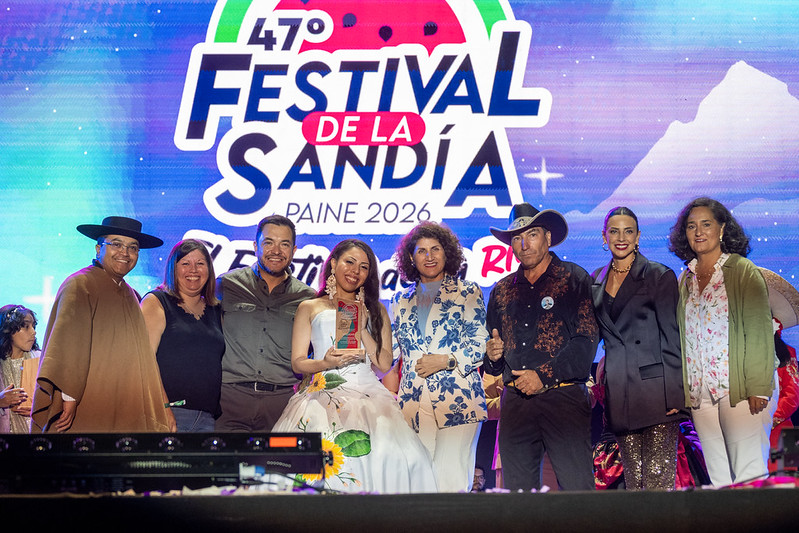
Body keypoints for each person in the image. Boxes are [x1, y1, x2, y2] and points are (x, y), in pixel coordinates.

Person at [271, 239, 437, 493]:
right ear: (333, 264)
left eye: (364, 267)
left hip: (369, 394)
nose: (355, 271)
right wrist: (324, 363)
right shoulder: (310, 306)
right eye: (349, 262)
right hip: (322, 394)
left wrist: (362, 330)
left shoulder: (377, 309)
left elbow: (384, 364)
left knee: (394, 457)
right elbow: (298, 362)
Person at [484, 202, 599, 491]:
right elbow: (493, 357)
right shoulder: (501, 290)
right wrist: (493, 357)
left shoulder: (574, 279)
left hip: (564, 397)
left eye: (532, 235)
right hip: (516, 402)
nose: (524, 245)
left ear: (547, 237)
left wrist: (542, 376)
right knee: (518, 495)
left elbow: (586, 341)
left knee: (577, 489)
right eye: (517, 238)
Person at [668, 197, 776, 486]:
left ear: (722, 229)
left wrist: (758, 387)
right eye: (691, 226)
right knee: (719, 479)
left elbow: (758, 331)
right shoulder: (686, 278)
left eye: (706, 224)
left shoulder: (742, 270)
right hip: (701, 392)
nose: (698, 232)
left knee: (749, 473)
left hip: (739, 389)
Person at [31, 216, 172, 433]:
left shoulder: (131, 294)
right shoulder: (81, 284)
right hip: (86, 400)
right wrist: (69, 396)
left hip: (124, 403)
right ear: (99, 249)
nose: (125, 253)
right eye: (116, 244)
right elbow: (68, 341)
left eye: (133, 248)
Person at [590, 206, 687, 490]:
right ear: (604, 237)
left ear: (638, 236)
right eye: (614, 231)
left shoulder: (658, 275)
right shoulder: (595, 279)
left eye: (628, 231)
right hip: (619, 392)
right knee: (634, 483)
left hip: (656, 393)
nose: (621, 238)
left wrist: (676, 395)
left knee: (657, 483)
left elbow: (672, 337)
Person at [390, 221, 488, 492]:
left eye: (435, 249)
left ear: (447, 253)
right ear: (411, 258)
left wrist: (446, 360)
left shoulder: (467, 292)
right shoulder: (399, 300)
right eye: (421, 251)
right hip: (412, 403)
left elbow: (480, 343)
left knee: (450, 482)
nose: (429, 256)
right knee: (416, 483)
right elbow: (390, 352)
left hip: (458, 398)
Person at [215, 215, 316, 432]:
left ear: (294, 250)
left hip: (282, 403)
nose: (276, 251)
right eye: (268, 242)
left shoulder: (307, 298)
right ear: (255, 246)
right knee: (228, 456)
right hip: (230, 400)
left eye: (284, 244)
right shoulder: (226, 285)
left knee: (279, 456)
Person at [141, 239, 225, 432]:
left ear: (209, 270)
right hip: (170, 413)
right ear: (173, 268)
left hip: (207, 417)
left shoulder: (215, 309)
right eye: (185, 263)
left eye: (200, 263)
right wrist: (164, 408)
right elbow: (144, 362)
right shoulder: (156, 302)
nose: (193, 270)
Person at [0, 305, 40, 433]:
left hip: (35, 436)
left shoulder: (41, 360)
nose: (33, 332)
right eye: (26, 326)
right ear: (9, 330)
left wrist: (39, 410)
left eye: (33, 326)